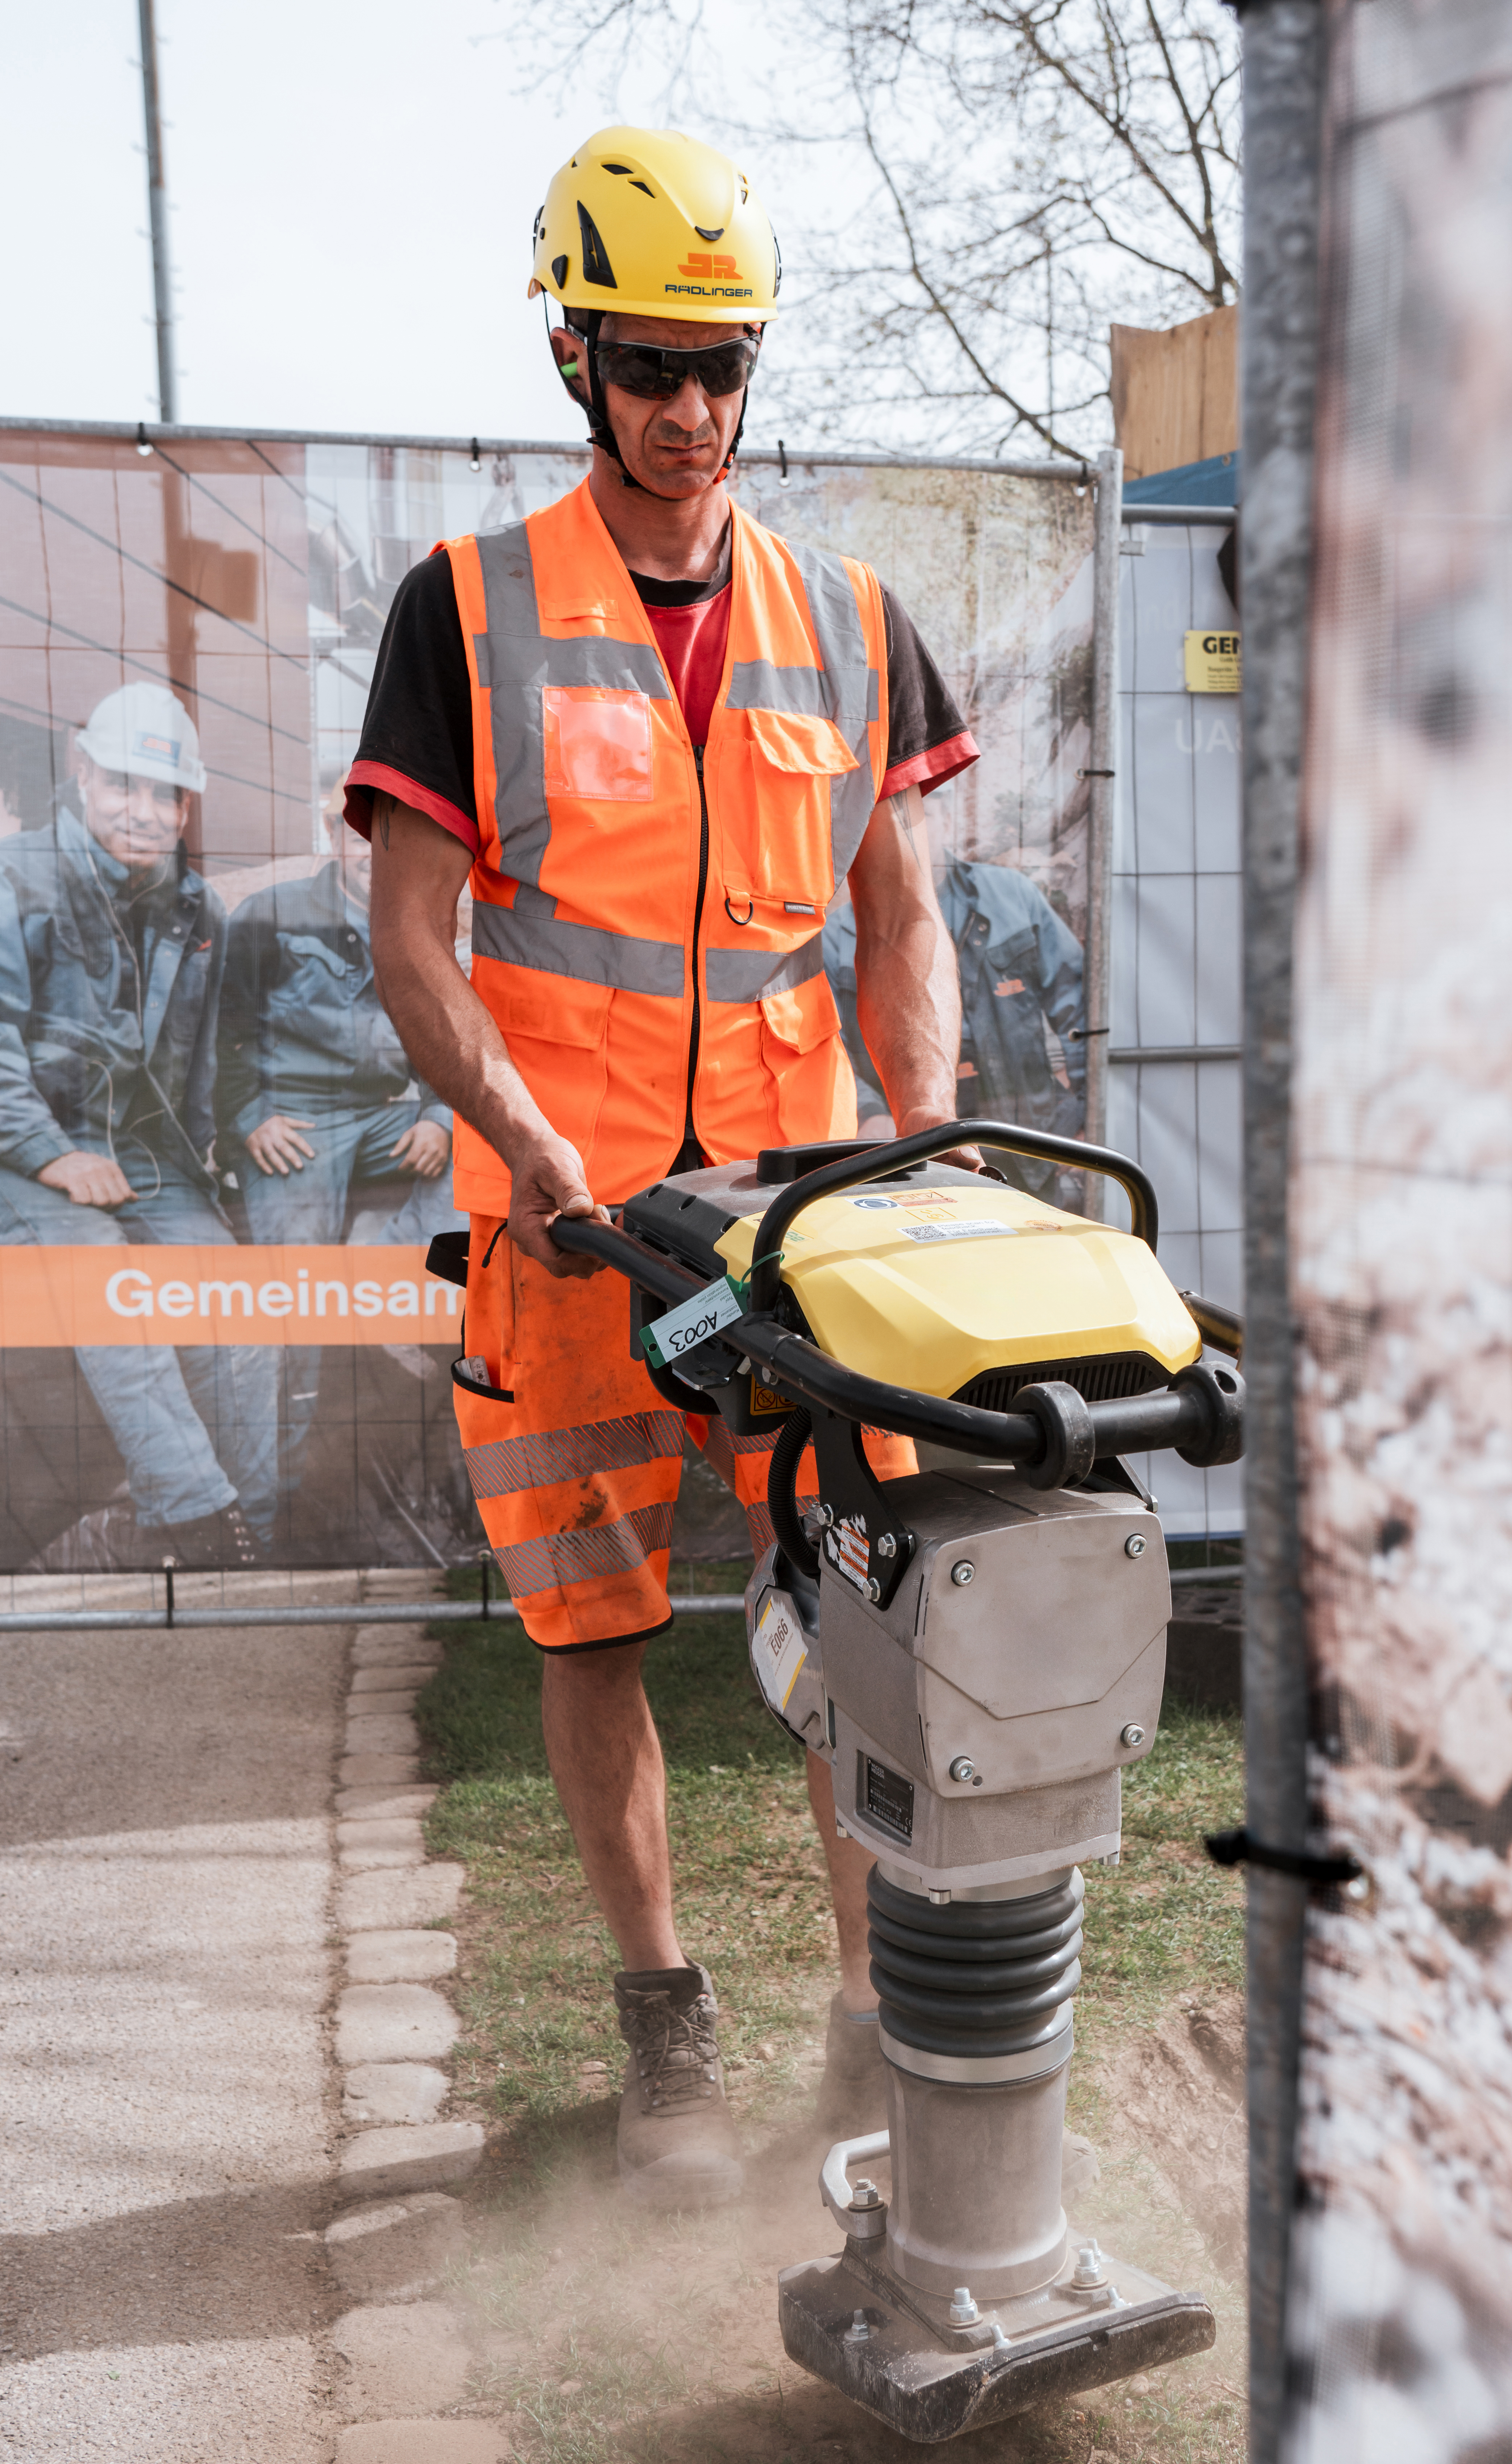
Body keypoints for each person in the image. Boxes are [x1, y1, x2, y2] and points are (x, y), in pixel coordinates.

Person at [355, 126, 988, 2211]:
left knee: (858, 1618)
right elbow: (415, 943)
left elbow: (901, 910)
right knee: (593, 1635)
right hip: (570, 1234)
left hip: (803, 1235)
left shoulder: (849, 617)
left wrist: (925, 1132)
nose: (692, 408)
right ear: (571, 353)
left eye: (723, 363)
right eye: (649, 363)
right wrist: (534, 1149)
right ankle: (665, 2020)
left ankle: (870, 2012)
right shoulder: (466, 613)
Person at [0, 682, 277, 1564]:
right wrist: (51, 1156)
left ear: (188, 805)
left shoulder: (199, 911)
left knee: (240, 1301)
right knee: (107, 1289)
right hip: (26, 1155)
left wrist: (212, 1169)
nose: (145, 812)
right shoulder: (16, 882)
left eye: (167, 795)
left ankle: (260, 1526)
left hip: (144, 1161)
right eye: (123, 784)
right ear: (80, 774)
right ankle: (195, 1523)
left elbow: (203, 1063)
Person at [217, 778, 459, 1489]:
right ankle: (270, 1493)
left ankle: (383, 1289)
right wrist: (247, 1117)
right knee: (293, 1296)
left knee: (485, 1146)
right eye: (357, 836)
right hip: (296, 1119)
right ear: (332, 836)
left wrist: (438, 1115)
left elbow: (452, 1036)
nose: (369, 855)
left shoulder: (422, 921)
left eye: (388, 842)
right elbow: (219, 1034)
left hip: (386, 1112)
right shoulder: (271, 914)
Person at [826, 847, 1089, 1203]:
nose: (920, 815)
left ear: (952, 814)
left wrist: (1083, 1111)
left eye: (932, 800)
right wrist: (870, 1114)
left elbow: (1078, 1003)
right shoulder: (837, 938)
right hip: (911, 1162)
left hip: (1028, 1147)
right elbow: (828, 1047)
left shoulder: (1012, 898)